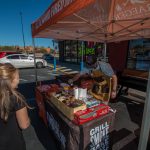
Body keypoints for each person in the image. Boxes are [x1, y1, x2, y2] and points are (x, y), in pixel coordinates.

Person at [0, 63, 30, 150]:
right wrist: (28, 119)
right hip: (13, 144)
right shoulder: (16, 98)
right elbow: (24, 125)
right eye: (17, 78)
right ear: (9, 81)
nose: (18, 80)